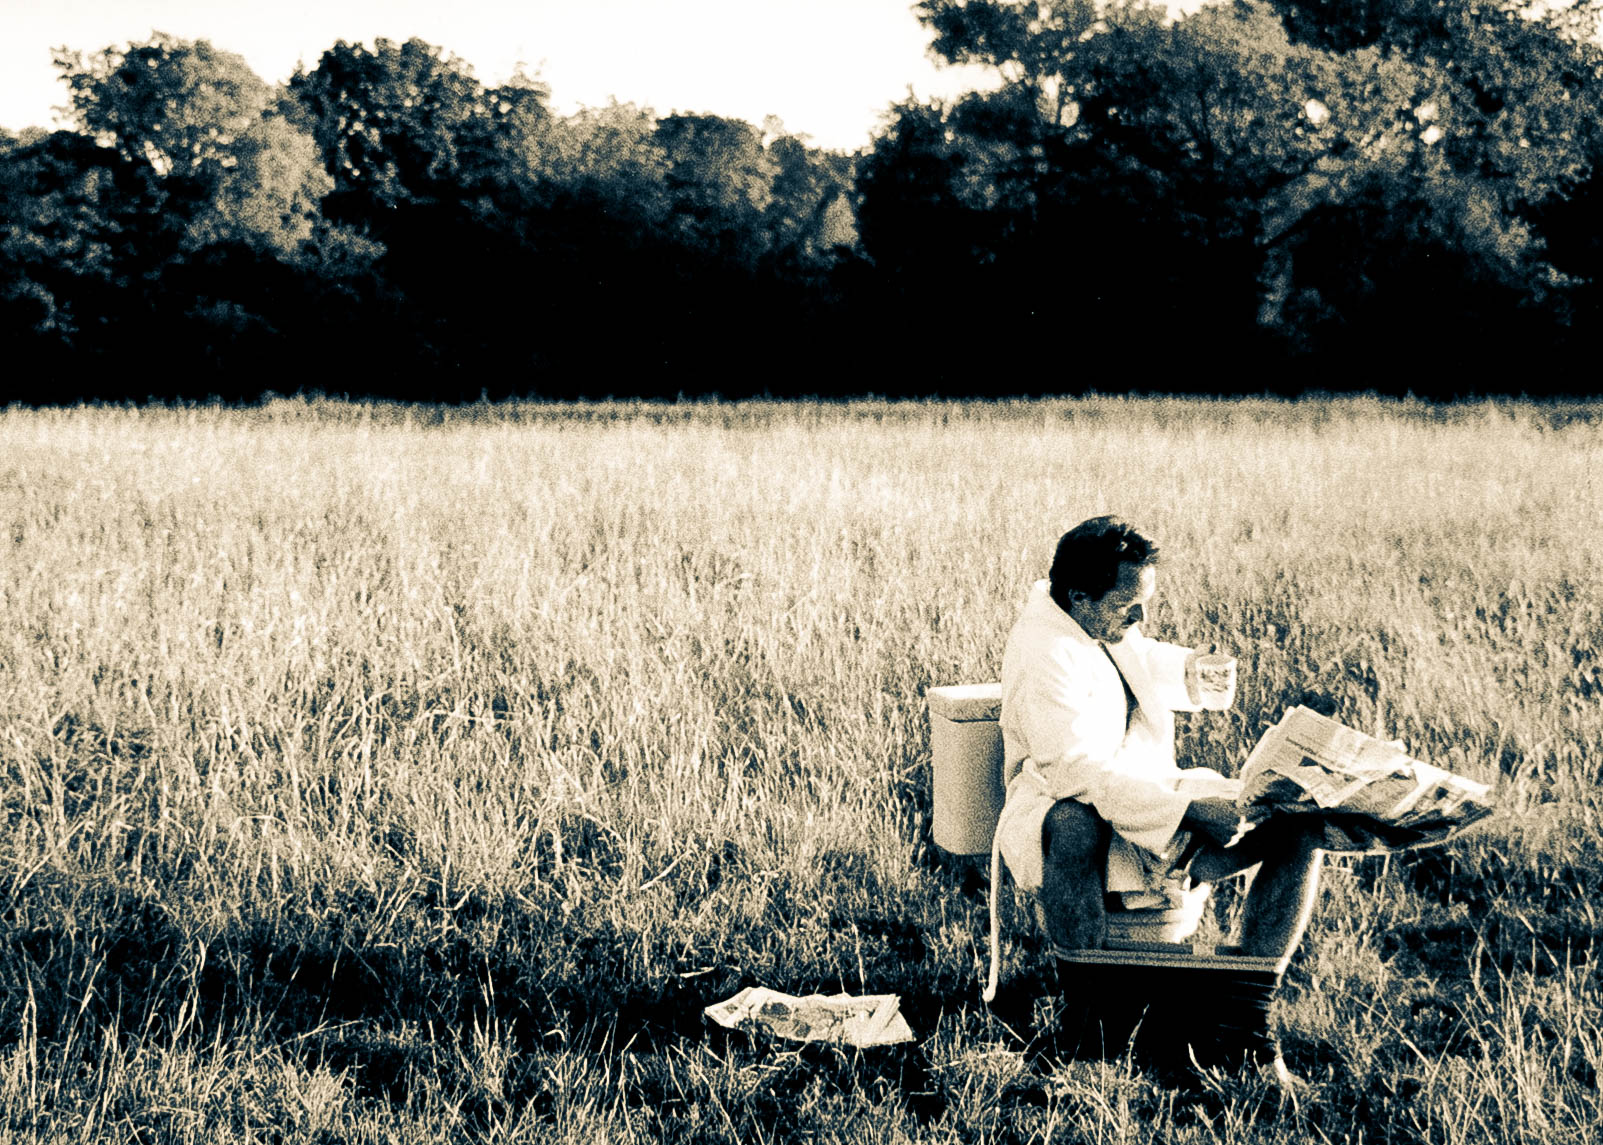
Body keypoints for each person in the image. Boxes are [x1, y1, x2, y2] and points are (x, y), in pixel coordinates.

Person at [988, 516, 1323, 1082]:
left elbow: (1132, 655)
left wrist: (1191, 670)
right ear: (1078, 595)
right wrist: (1189, 811)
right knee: (1074, 824)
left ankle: (1245, 1019)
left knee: (1298, 826)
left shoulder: (1085, 618)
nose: (1142, 617)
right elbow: (1075, 772)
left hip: (1138, 791)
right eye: (1130, 604)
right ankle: (1091, 1020)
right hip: (1056, 801)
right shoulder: (1042, 655)